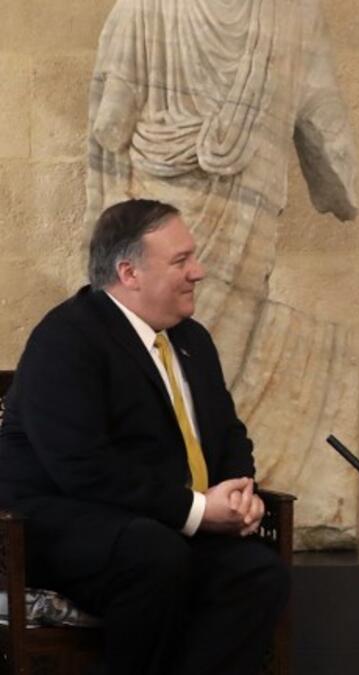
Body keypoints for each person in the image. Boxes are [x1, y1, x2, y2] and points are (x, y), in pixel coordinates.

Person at [0, 199, 288, 675]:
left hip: (154, 521)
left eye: (192, 256)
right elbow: (82, 467)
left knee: (257, 574)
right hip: (53, 522)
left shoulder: (192, 339)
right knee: (155, 557)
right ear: (129, 272)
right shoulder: (68, 338)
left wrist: (240, 490)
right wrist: (198, 512)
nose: (198, 271)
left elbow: (229, 432)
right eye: (180, 261)